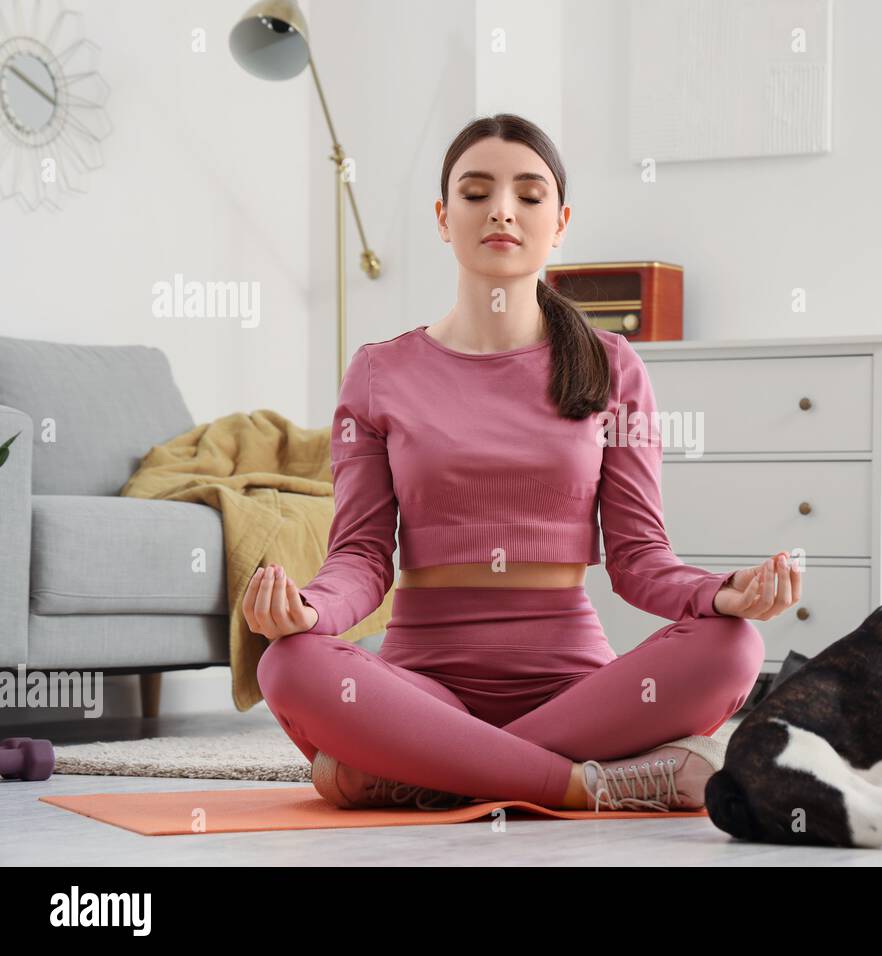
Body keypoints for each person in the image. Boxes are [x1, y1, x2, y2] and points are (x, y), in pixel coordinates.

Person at [248, 113, 801, 814]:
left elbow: (640, 559)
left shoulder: (613, 367)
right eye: (476, 193)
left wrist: (721, 593)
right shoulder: (378, 373)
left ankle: (427, 768)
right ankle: (584, 785)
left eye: (529, 195)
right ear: (444, 218)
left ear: (560, 221)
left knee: (733, 649)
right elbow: (359, 558)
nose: (502, 210)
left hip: (574, 689)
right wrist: (308, 609)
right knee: (290, 664)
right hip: (424, 687)